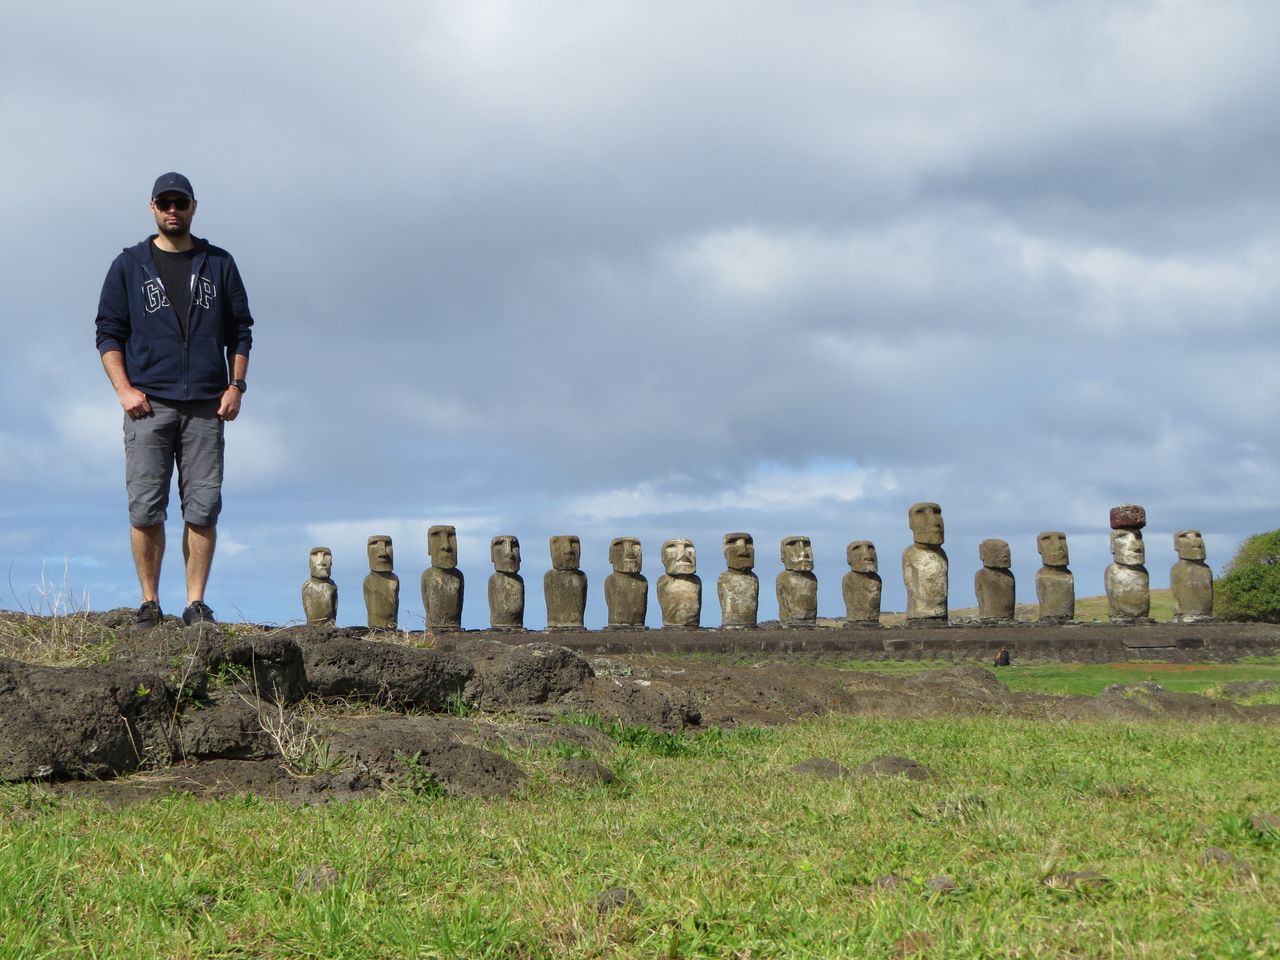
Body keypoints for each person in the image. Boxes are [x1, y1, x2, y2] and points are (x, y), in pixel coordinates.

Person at [95, 173, 254, 628]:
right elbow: (109, 331)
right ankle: (149, 601)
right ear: (152, 207)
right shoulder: (128, 265)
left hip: (207, 403)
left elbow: (240, 331)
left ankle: (195, 603)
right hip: (148, 404)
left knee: (202, 507)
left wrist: (235, 386)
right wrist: (124, 390)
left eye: (179, 202)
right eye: (164, 202)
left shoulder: (219, 263)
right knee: (145, 507)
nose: (172, 210)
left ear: (193, 207)